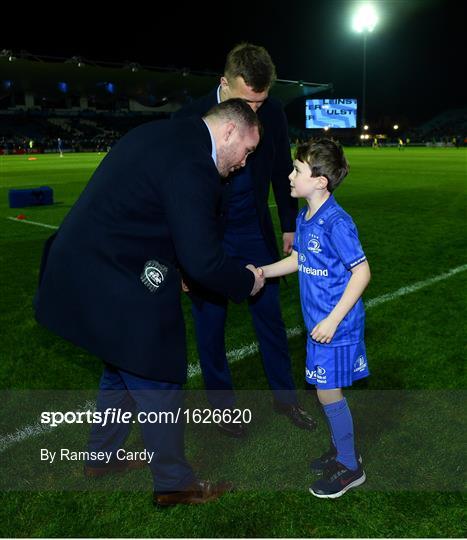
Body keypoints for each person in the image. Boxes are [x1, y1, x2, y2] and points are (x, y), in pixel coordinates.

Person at [34, 99, 265, 507]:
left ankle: (100, 458)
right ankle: (174, 482)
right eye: (247, 150)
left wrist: (178, 270)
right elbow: (204, 259)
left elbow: (152, 214)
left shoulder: (168, 134)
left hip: (91, 263)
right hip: (106, 273)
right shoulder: (193, 163)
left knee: (123, 362)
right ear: (229, 131)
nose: (245, 162)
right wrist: (247, 280)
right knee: (157, 367)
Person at [173, 43, 316, 436]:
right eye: (246, 101)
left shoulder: (271, 111)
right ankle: (224, 412)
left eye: (261, 100)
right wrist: (180, 257)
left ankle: (286, 400)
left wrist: (289, 224)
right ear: (224, 84)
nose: (255, 110)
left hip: (253, 229)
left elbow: (281, 169)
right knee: (210, 325)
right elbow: (173, 194)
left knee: (271, 319)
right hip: (207, 236)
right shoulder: (189, 117)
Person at [259, 138, 371, 498]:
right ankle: (342, 452)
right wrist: (262, 271)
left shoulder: (336, 223)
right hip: (319, 325)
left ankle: (351, 467)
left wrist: (333, 321)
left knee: (327, 393)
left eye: (297, 170)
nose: (290, 176)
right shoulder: (305, 216)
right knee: (326, 392)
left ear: (320, 181)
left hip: (334, 326)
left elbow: (362, 273)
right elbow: (300, 260)